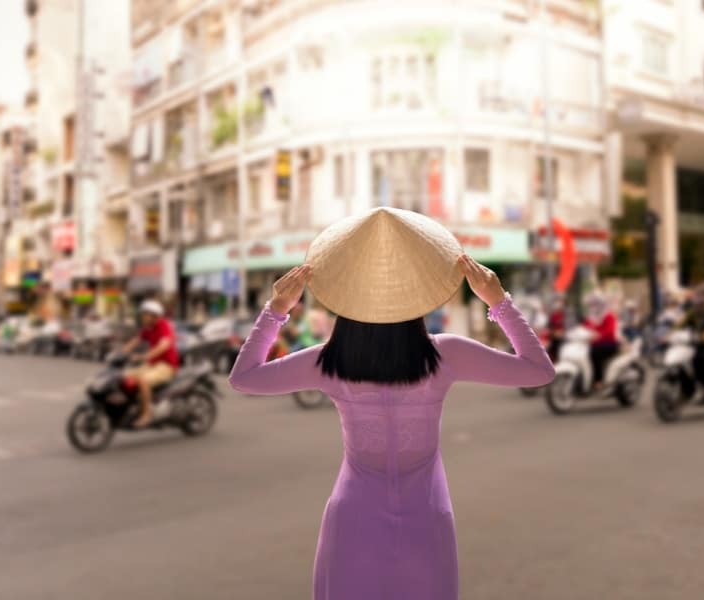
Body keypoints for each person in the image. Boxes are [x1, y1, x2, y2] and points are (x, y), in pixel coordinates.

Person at [228, 207, 554, 600]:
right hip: (427, 515)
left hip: (353, 516)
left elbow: (243, 377)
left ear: (345, 301)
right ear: (415, 296)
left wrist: (277, 310)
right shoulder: (445, 354)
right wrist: (497, 301)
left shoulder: (327, 360)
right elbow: (539, 370)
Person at [121, 299, 180, 428]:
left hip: (167, 366)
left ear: (154, 315)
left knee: (143, 380)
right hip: (153, 365)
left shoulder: (164, 326)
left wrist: (145, 356)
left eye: (145, 314)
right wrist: (121, 351)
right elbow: (136, 340)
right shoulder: (148, 328)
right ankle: (134, 406)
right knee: (125, 376)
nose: (142, 317)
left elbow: (164, 345)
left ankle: (146, 415)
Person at [582, 290, 619, 387]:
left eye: (596, 304)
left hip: (608, 344)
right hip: (592, 343)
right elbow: (584, 328)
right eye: (592, 304)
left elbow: (610, 331)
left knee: (594, 354)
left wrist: (598, 335)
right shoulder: (591, 317)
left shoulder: (609, 316)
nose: (594, 306)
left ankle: (599, 380)